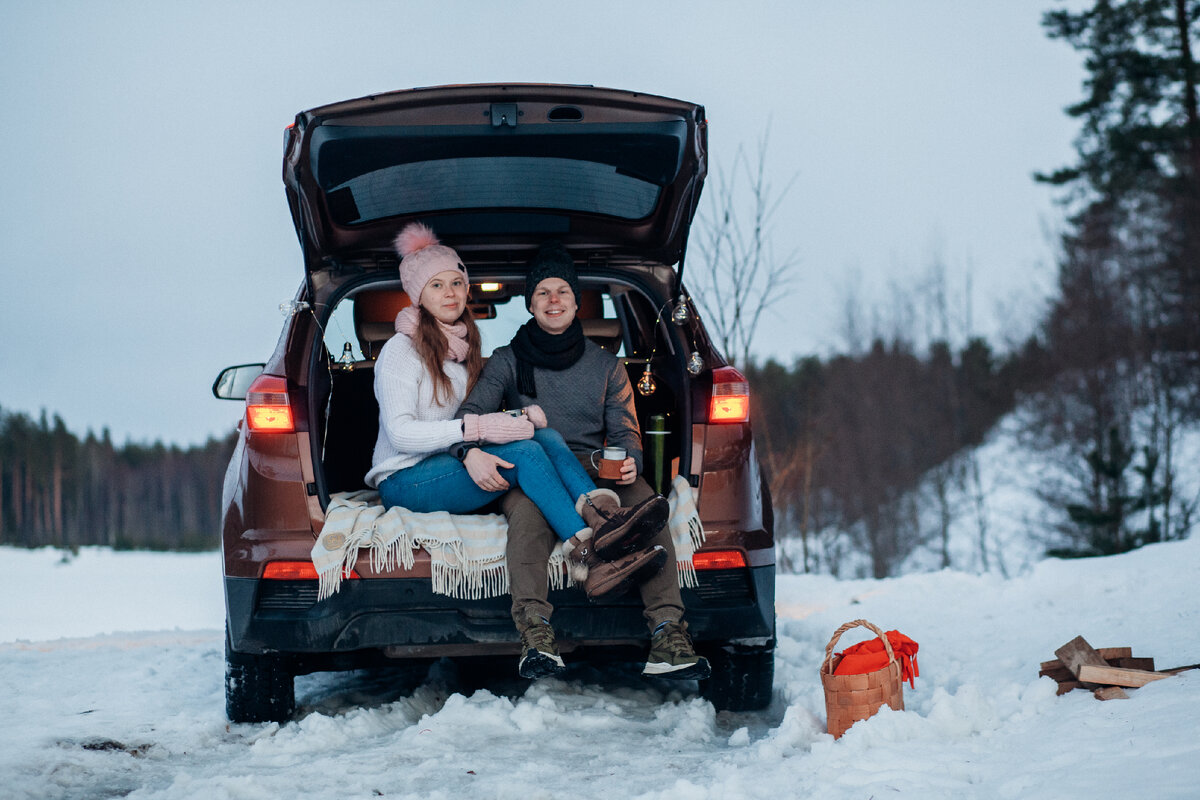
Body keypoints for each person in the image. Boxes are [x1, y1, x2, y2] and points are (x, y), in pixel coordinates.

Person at [364, 223, 669, 676]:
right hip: (406, 477)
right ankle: (588, 551)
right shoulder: (399, 352)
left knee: (543, 436)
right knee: (528, 449)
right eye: (437, 285)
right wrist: (472, 438)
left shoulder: (461, 349)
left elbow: (480, 422)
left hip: (449, 466)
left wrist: (505, 426)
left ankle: (602, 519)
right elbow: (404, 434)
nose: (450, 294)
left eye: (456, 283)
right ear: (417, 295)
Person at [458, 241, 711, 682]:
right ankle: (536, 636)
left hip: (599, 469)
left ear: (577, 301)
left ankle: (669, 634)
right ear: (530, 302)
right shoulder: (505, 361)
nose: (553, 301)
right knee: (528, 524)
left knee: (650, 511)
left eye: (562, 292)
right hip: (535, 468)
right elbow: (468, 418)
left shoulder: (606, 366)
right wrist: (472, 451)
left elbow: (625, 430)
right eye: (543, 293)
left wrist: (631, 459)